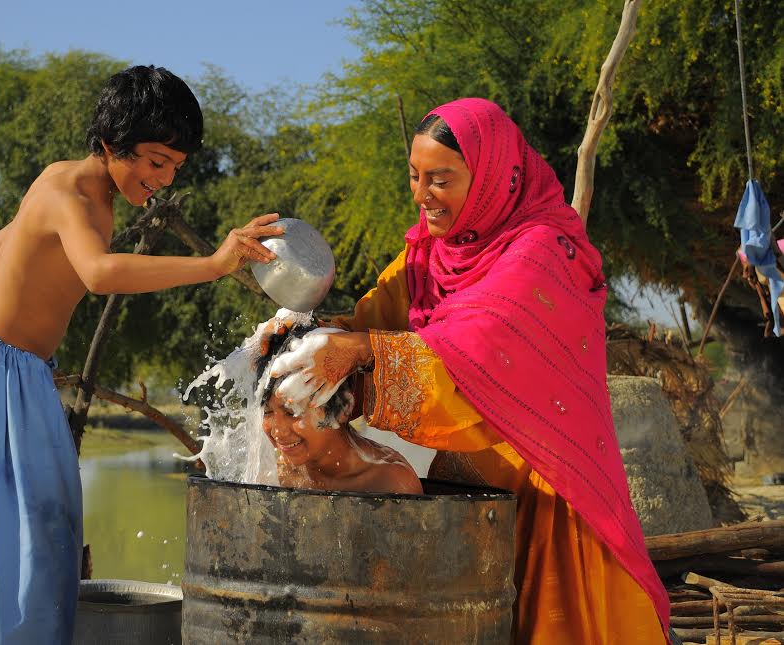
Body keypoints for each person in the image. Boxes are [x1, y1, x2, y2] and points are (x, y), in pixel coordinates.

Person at [268, 99, 670, 643]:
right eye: (414, 176)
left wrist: (361, 351)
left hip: (547, 488)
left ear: (493, 179)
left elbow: (473, 355)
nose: (421, 195)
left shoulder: (542, 253)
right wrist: (300, 339)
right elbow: (369, 324)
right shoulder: (430, 256)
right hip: (472, 492)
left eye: (441, 179)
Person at [0, 65, 282, 645]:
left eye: (173, 167)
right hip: (0, 370)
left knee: (11, 531)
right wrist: (215, 265)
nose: (162, 179)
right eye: (153, 161)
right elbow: (98, 273)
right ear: (109, 143)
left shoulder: (72, 184)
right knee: (37, 534)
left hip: (2, 366)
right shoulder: (74, 193)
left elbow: (22, 226)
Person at [258, 323, 422, 494]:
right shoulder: (275, 477)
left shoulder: (389, 483)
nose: (278, 431)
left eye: (292, 413)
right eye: (267, 412)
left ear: (343, 407)